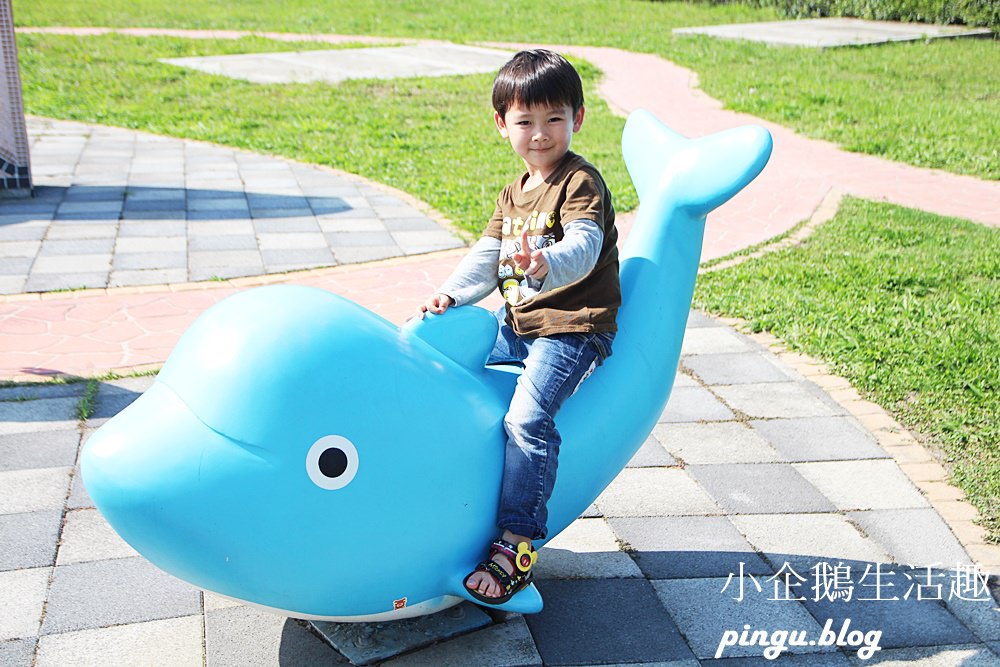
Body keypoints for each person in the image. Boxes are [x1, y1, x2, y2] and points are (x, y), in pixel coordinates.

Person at [410, 49, 620, 605]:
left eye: (554, 119)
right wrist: (452, 293)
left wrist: (549, 262)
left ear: (577, 118)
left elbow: (584, 243)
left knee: (527, 418)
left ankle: (516, 544)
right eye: (525, 121)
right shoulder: (513, 193)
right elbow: (486, 255)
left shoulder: (580, 182)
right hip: (518, 322)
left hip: (569, 328)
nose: (541, 133)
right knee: (434, 345)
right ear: (502, 124)